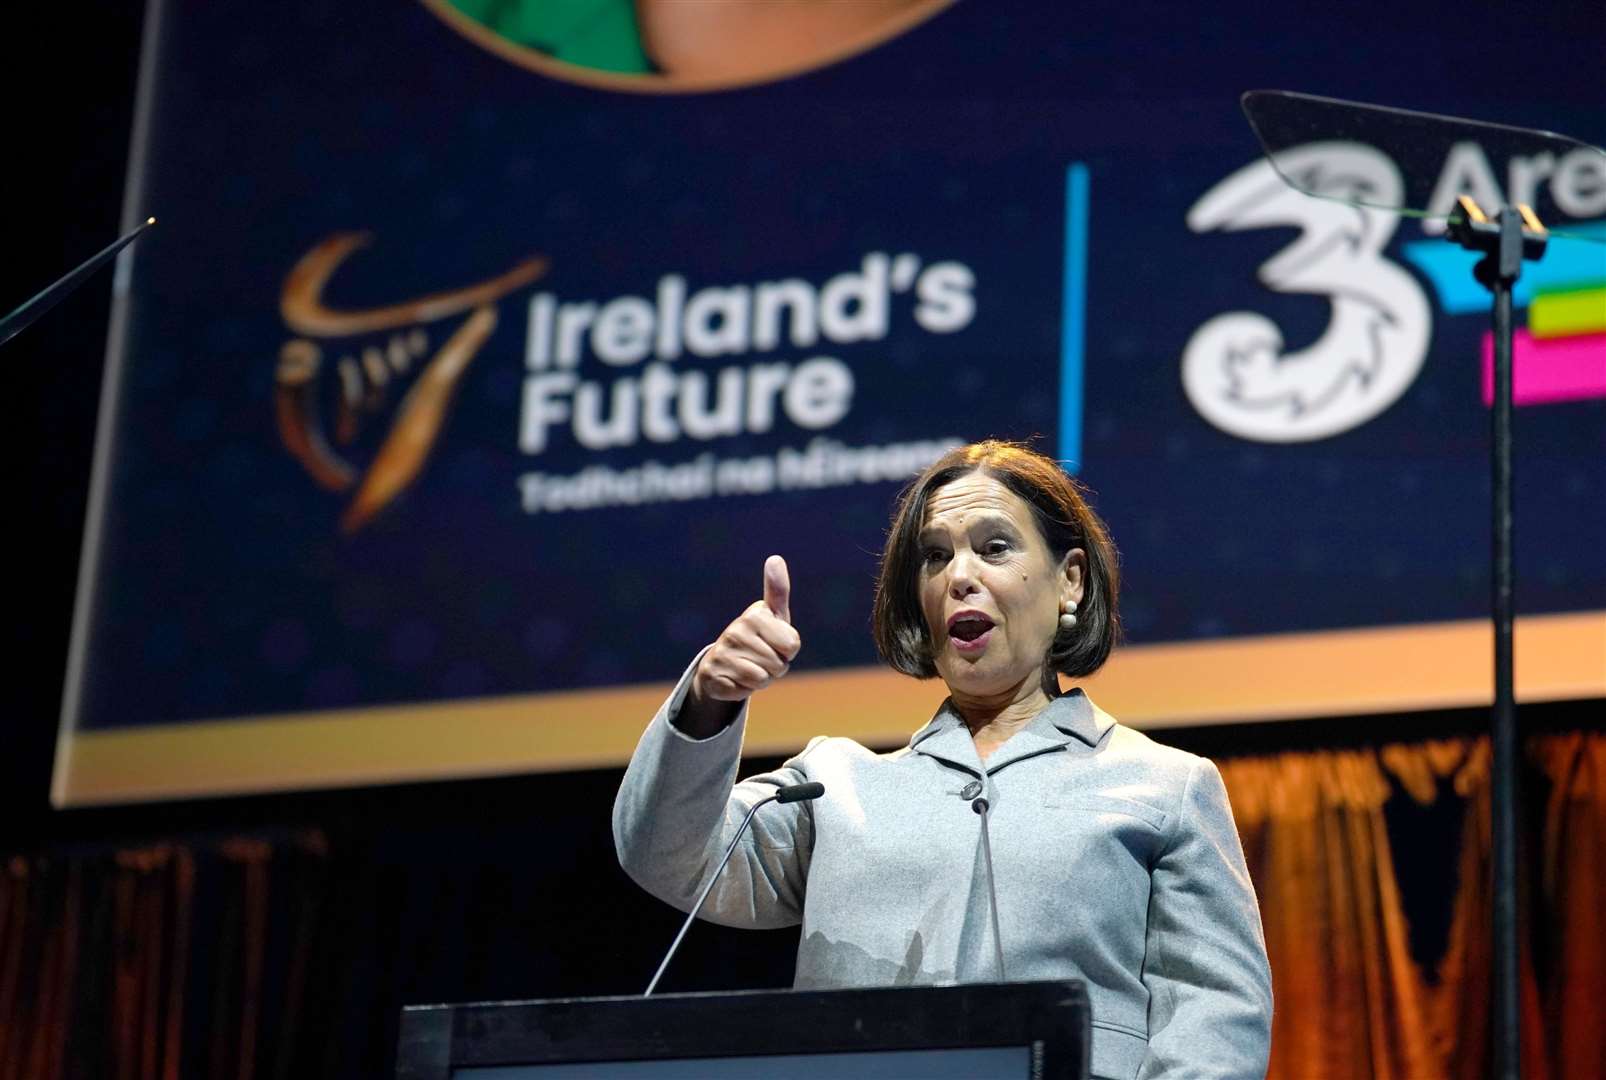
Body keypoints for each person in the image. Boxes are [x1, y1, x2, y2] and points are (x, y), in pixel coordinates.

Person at [613, 440, 1273, 1080]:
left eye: (994, 548)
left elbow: (1216, 1024)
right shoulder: (832, 786)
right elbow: (667, 854)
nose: (960, 577)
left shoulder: (1165, 785)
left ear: (1069, 580)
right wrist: (709, 698)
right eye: (935, 557)